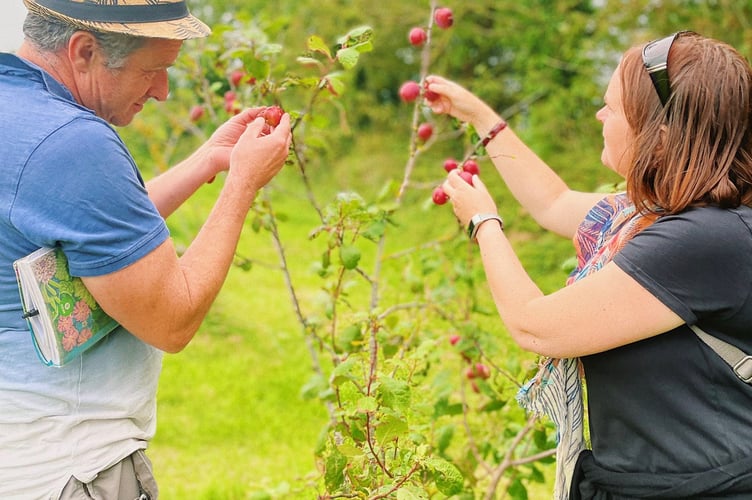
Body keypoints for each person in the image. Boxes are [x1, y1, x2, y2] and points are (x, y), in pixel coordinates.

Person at [425, 30, 752, 499]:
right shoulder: (659, 214)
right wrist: (480, 116)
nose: (600, 115)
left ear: (659, 132)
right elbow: (552, 202)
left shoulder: (700, 239)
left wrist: (484, 222)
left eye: (613, 108)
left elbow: (537, 327)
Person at [0, 1, 292, 498]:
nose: (162, 92)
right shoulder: (75, 144)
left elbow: (95, 239)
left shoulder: (19, 114)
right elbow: (171, 319)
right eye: (153, 70)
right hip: (71, 467)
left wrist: (206, 162)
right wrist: (242, 183)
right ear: (84, 50)